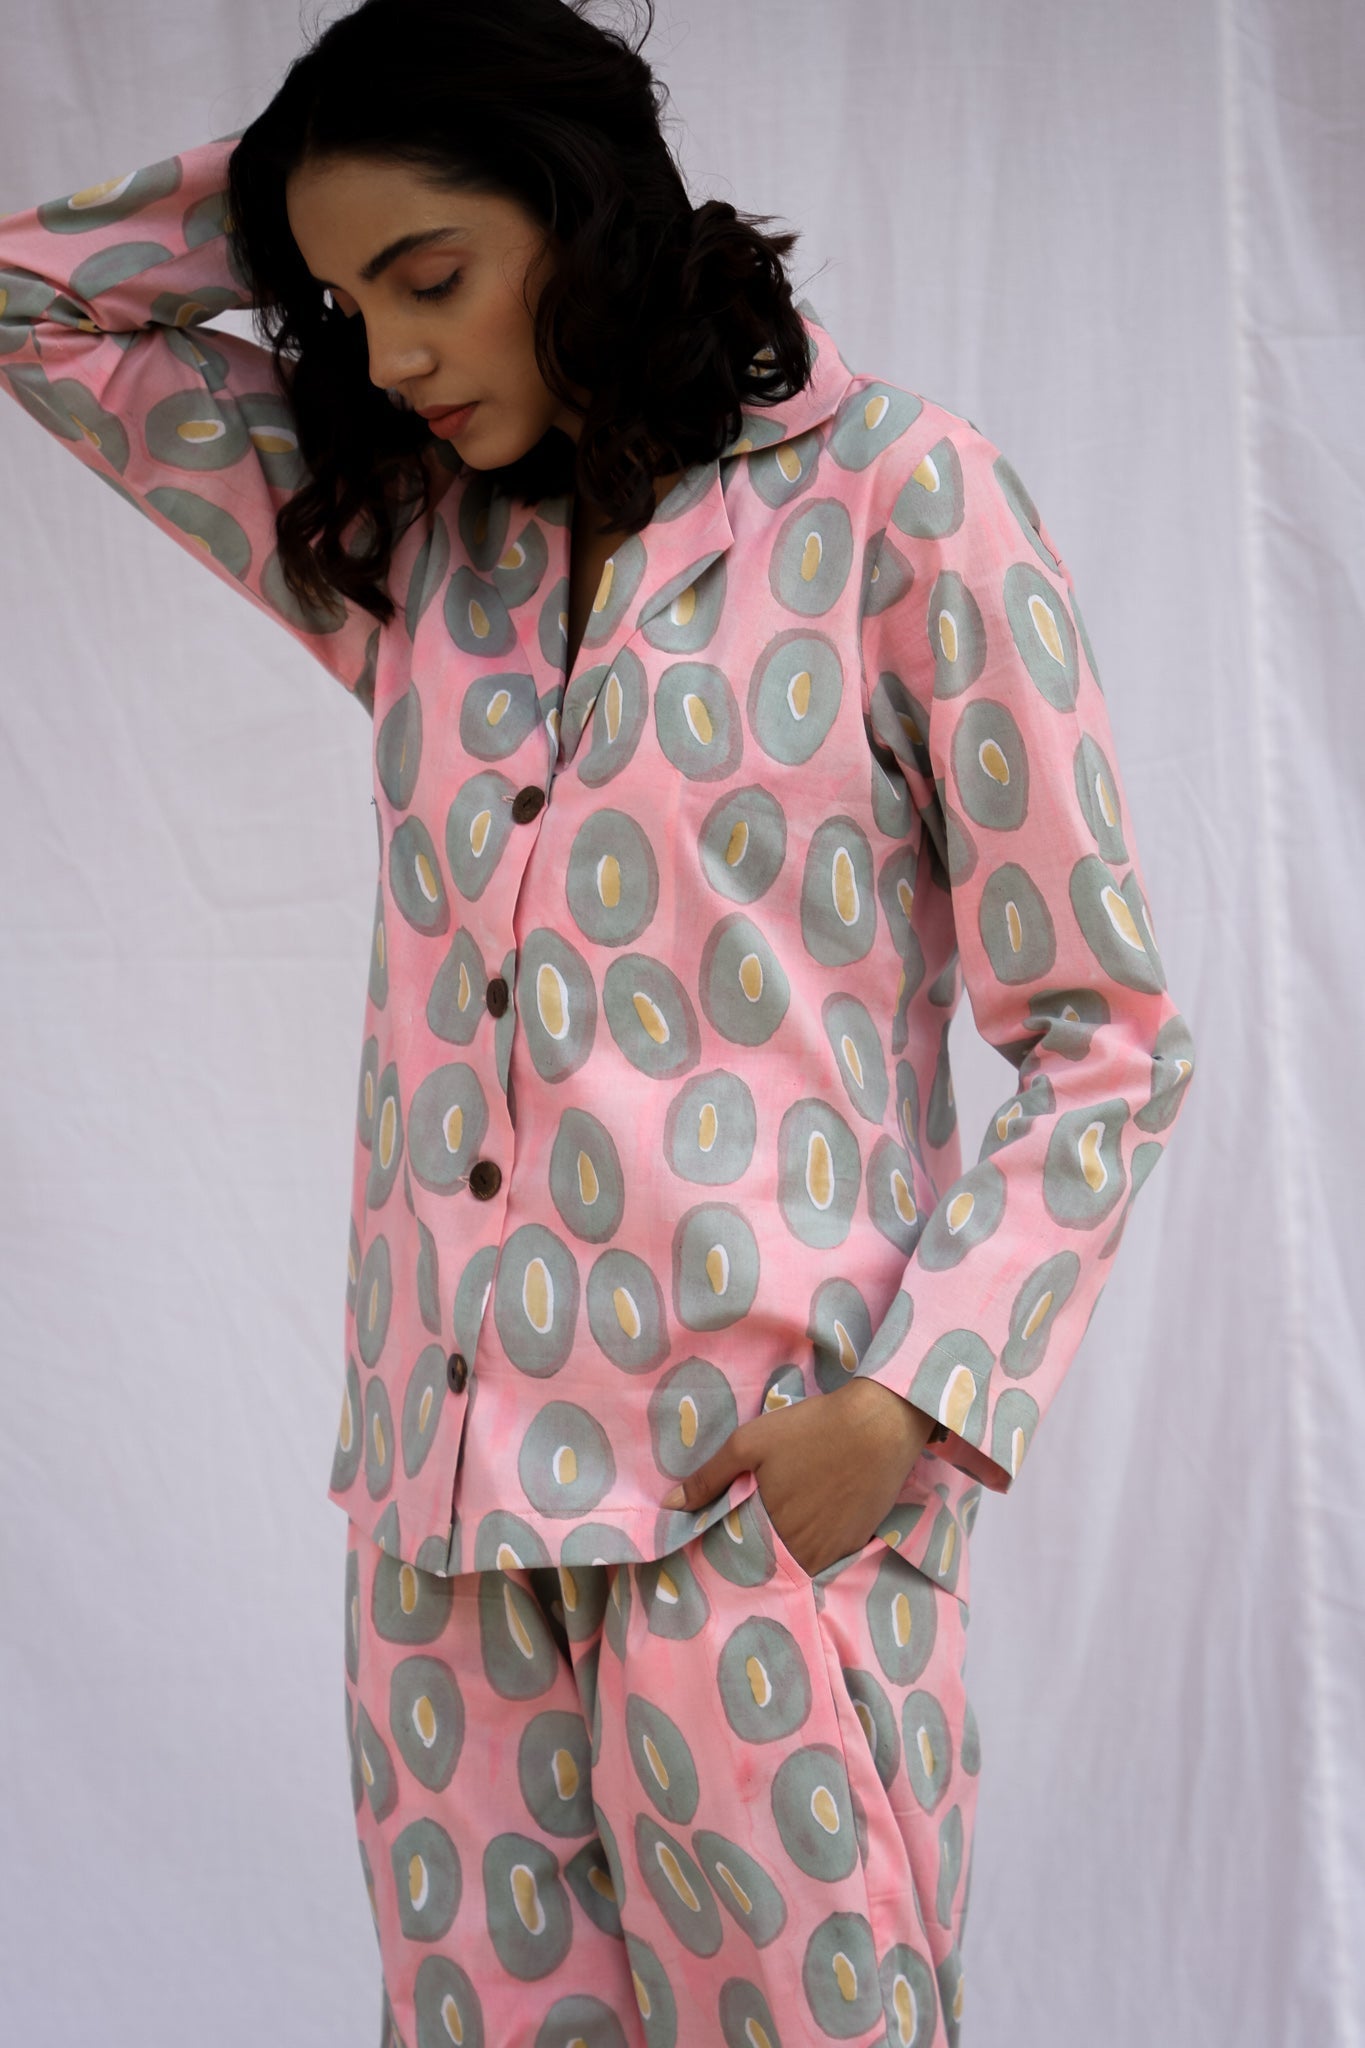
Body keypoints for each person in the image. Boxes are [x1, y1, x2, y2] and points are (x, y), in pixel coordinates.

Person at [0, 1, 1198, 2042]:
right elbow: (36, 302)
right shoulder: (412, 546)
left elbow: (1102, 1031)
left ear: (587, 213)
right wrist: (298, 187)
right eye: (338, 306)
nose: (387, 356)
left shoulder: (902, 504)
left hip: (748, 1507)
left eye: (431, 277)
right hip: (440, 1531)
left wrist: (905, 1410)